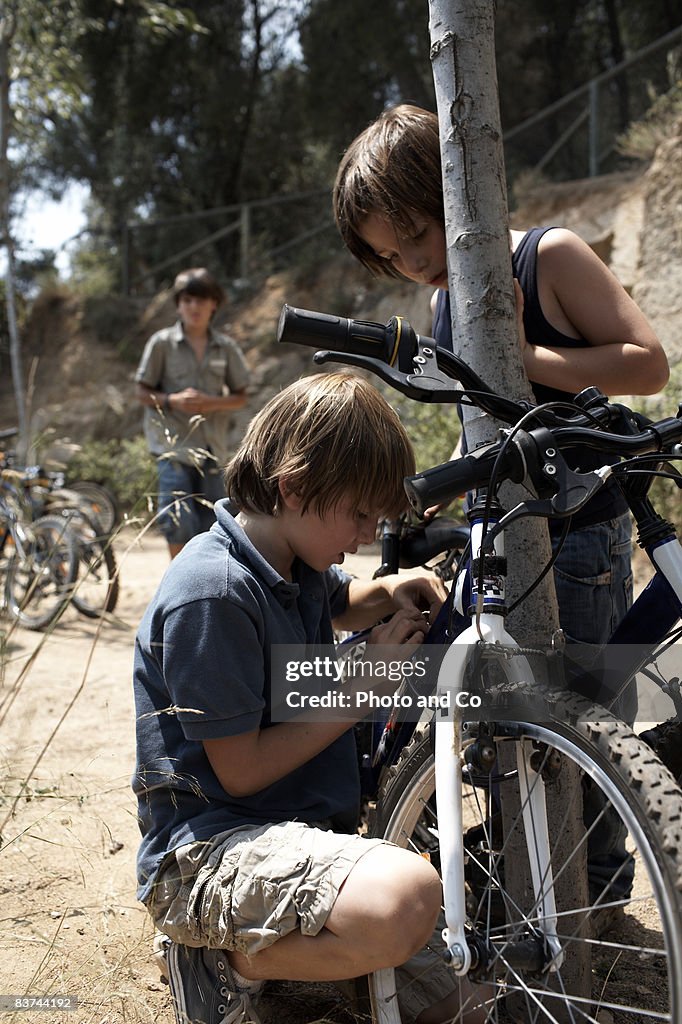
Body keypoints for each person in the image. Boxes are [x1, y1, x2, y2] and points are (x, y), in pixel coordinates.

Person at [333, 103, 670, 921]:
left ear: (456, 190)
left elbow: (646, 363)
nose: (414, 262)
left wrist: (521, 355)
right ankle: (527, 894)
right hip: (499, 547)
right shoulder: (447, 301)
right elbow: (480, 424)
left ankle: (598, 900)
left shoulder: (542, 257)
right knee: (508, 723)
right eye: (390, 255)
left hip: (578, 536)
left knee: (588, 722)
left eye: (417, 234)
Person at [133, 371, 486, 1024]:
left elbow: (339, 599)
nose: (360, 539)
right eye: (357, 516)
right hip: (206, 857)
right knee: (404, 898)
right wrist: (362, 687)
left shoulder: (291, 563)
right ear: (292, 488)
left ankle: (300, 956)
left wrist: (391, 589)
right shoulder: (211, 592)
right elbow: (240, 772)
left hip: (294, 841)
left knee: (470, 1010)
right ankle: (214, 959)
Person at [135, 267, 250, 559]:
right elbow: (141, 392)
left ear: (214, 304)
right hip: (172, 449)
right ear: (178, 304)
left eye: (201, 300)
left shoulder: (226, 348)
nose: (194, 307)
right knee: (177, 520)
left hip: (212, 449)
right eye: (187, 300)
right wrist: (172, 400)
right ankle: (181, 580)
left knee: (213, 522)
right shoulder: (161, 343)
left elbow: (241, 397)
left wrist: (211, 402)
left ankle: (206, 583)